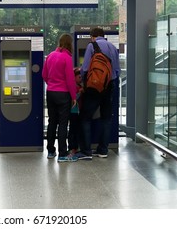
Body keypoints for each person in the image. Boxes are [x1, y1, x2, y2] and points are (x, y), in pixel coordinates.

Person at [80, 27, 120, 158]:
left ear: (93, 36)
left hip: (94, 86)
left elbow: (85, 68)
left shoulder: (92, 46)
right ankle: (103, 150)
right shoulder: (113, 47)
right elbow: (117, 70)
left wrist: (82, 83)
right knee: (106, 118)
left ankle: (86, 151)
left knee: (85, 117)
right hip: (110, 85)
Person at [42, 33, 78, 162]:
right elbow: (70, 80)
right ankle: (63, 153)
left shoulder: (50, 56)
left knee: (52, 122)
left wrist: (52, 84)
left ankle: (51, 151)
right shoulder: (67, 58)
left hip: (50, 92)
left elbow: (44, 75)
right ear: (70, 44)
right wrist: (74, 96)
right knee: (63, 124)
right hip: (63, 94)